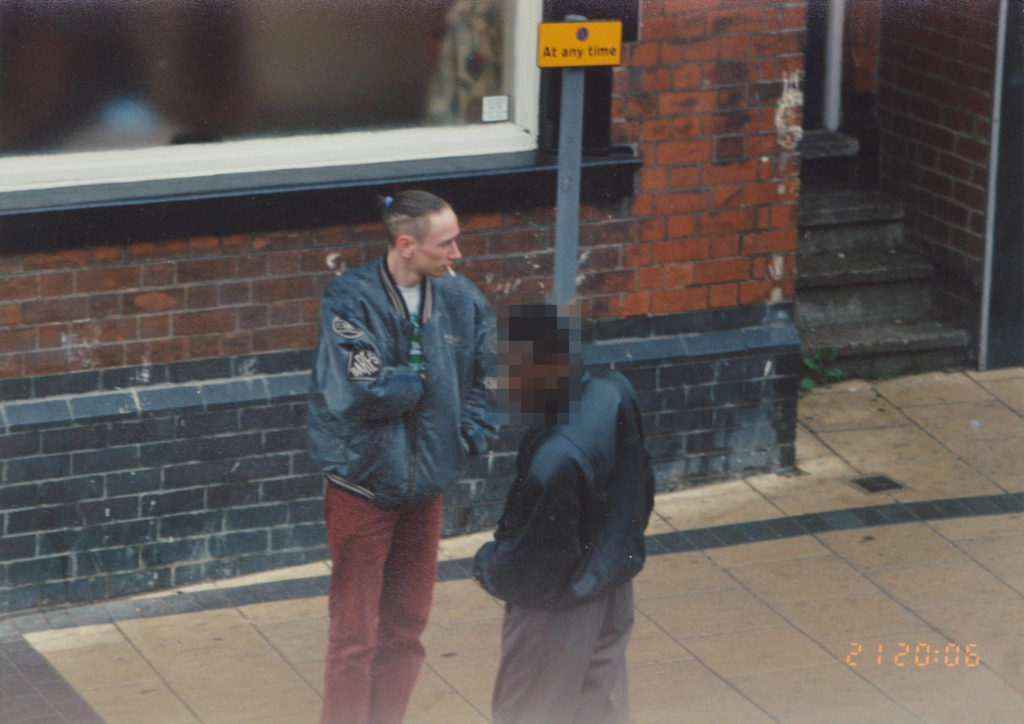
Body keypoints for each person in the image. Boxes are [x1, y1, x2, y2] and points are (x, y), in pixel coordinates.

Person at [307, 189, 496, 724]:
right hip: (364, 490)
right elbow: (360, 388)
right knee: (353, 638)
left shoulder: (462, 300)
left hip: (425, 490)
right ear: (407, 244)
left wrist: (468, 435)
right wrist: (419, 380)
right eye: (447, 243)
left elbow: (483, 372)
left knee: (407, 629)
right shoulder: (349, 298)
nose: (457, 254)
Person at [473, 303, 655, 724]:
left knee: (529, 710)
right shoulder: (613, 391)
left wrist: (488, 564)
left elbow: (535, 566)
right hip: (610, 585)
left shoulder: (556, 457)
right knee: (600, 707)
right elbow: (641, 485)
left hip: (558, 609)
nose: (497, 383)